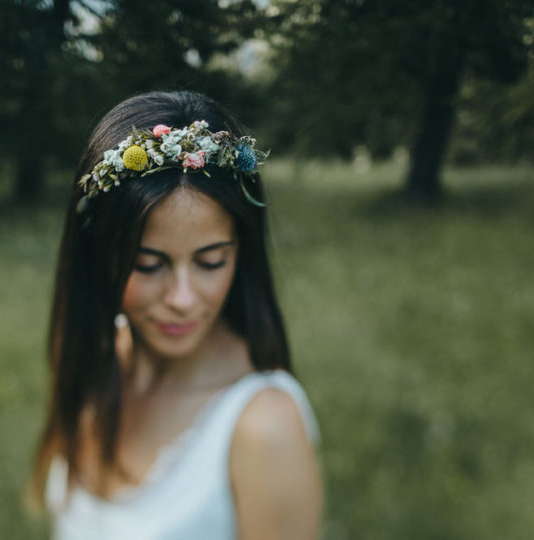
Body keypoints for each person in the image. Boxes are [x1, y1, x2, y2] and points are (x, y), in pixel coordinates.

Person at [32, 90, 321, 540]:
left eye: (210, 262)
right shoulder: (97, 358)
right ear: (99, 257)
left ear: (241, 255)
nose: (183, 299)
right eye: (148, 264)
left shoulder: (264, 428)